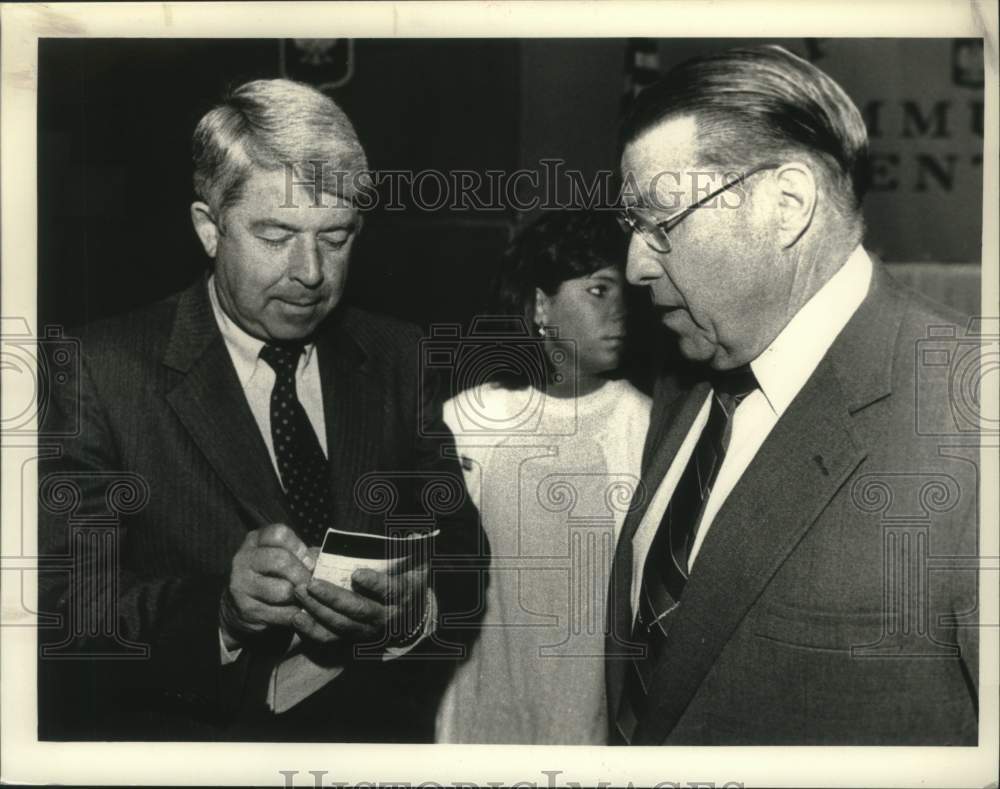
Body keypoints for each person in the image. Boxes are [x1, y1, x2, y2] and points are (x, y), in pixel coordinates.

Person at [37, 78, 484, 741]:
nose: (311, 272)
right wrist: (220, 613)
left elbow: (460, 546)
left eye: (336, 236)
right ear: (208, 228)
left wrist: (414, 605)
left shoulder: (396, 354)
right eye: (277, 234)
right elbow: (62, 606)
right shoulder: (98, 369)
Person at [607, 45, 978, 745]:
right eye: (630, 228)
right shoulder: (690, 371)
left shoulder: (969, 416)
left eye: (660, 224)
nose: (633, 266)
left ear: (788, 205)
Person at [435, 210, 651, 744]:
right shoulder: (470, 420)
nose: (619, 310)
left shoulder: (649, 426)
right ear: (539, 306)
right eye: (598, 291)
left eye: (627, 291)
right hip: (477, 734)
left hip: (592, 740)